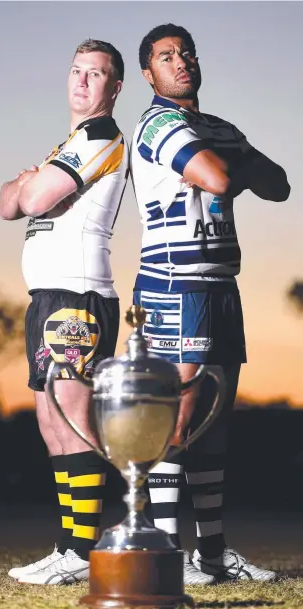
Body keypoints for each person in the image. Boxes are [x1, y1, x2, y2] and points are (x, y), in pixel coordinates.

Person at [131, 24, 290, 584]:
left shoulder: (215, 126)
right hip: (176, 285)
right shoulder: (158, 123)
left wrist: (229, 165)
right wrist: (230, 165)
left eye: (187, 53)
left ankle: (214, 556)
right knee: (178, 418)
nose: (181, 62)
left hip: (222, 286)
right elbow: (221, 176)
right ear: (149, 74)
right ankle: (169, 556)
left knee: (216, 422)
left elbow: (280, 184)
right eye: (166, 56)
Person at [0, 39, 128, 585]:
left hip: (77, 295)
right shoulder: (69, 142)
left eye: (94, 74)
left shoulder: (100, 135)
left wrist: (32, 184)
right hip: (49, 296)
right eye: (76, 70)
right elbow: (6, 202)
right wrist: (32, 184)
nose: (81, 81)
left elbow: (27, 200)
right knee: (53, 423)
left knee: (73, 420)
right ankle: (72, 547)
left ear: (113, 87)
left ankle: (83, 550)